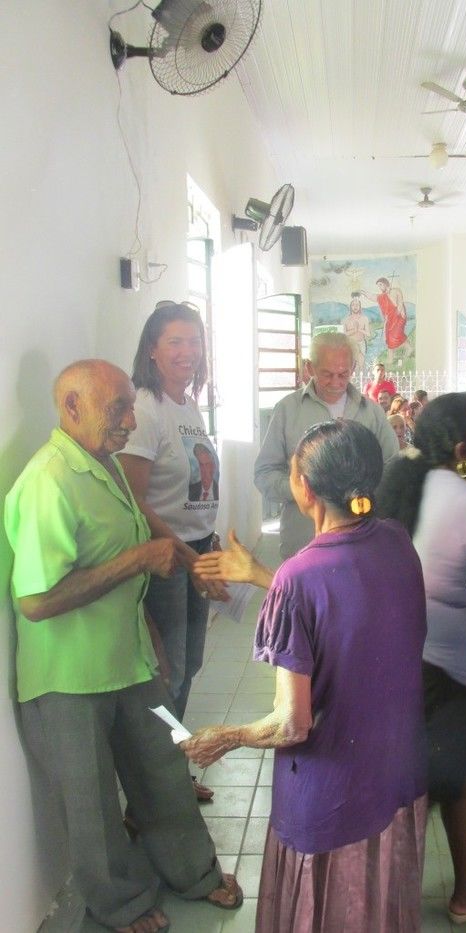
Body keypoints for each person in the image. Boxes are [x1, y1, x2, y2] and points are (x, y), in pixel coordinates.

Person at [4, 360, 243, 933]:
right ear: (72, 407)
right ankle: (120, 904)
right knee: (91, 806)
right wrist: (136, 561)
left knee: (166, 766)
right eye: (119, 410)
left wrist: (189, 572)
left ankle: (196, 873)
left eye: (131, 409)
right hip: (68, 678)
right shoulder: (47, 481)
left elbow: (145, 533)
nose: (130, 421)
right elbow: (35, 600)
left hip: (130, 659)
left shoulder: (101, 465)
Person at [185, 421, 428, 932]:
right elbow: (340, 608)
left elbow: (293, 725)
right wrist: (259, 576)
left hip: (332, 795)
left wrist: (225, 737)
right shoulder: (395, 541)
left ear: (305, 488)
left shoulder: (300, 576)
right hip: (394, 774)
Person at [376, 394, 466, 924]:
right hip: (444, 667)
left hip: (397, 653)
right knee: (446, 777)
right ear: (463, 451)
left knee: (437, 777)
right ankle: (454, 893)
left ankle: (423, 890)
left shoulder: (402, 485)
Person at [118, 302, 225, 803]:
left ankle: (170, 771)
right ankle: (154, 786)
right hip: (166, 558)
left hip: (194, 550)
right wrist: (185, 554)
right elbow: (134, 502)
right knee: (169, 672)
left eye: (195, 341)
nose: (188, 351)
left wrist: (209, 540)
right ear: (153, 350)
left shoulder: (186, 403)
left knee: (191, 664)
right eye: (176, 342)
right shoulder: (145, 407)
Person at [255, 332, 399, 558]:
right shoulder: (287, 410)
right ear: (310, 369)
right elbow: (264, 474)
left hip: (362, 539)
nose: (335, 383)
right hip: (303, 541)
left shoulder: (371, 412)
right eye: (327, 375)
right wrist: (304, 491)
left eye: (343, 374)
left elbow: (393, 467)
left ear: (353, 368)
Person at [365, 277, 407, 364]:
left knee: (393, 339)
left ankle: (391, 360)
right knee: (391, 339)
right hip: (390, 320)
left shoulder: (396, 291)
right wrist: (363, 293)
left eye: (380, 285)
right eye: (378, 286)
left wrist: (396, 314)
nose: (379, 287)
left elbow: (400, 304)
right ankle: (408, 348)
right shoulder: (382, 296)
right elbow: (373, 297)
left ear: (386, 284)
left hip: (398, 318)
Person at [341, 294, 371, 373]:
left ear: (360, 306)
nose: (355, 306)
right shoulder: (346, 320)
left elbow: (368, 334)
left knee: (361, 363)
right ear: (350, 307)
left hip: (361, 343)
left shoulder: (364, 318)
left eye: (357, 305)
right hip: (351, 344)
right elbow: (344, 334)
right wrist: (354, 330)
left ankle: (360, 378)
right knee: (354, 363)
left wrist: (360, 329)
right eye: (353, 305)